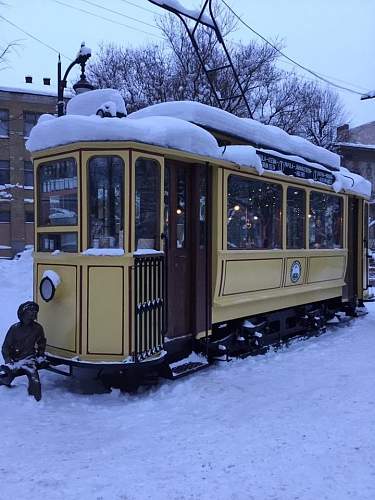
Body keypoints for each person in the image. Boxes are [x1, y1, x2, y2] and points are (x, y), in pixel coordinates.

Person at [0, 301, 46, 401]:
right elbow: (5, 347)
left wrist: (40, 356)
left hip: (29, 360)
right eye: (31, 311)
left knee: (35, 383)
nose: (34, 313)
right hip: (14, 360)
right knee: (5, 378)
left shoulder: (38, 328)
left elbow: (41, 343)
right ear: (23, 313)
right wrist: (8, 360)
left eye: (35, 311)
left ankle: (34, 403)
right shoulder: (14, 329)